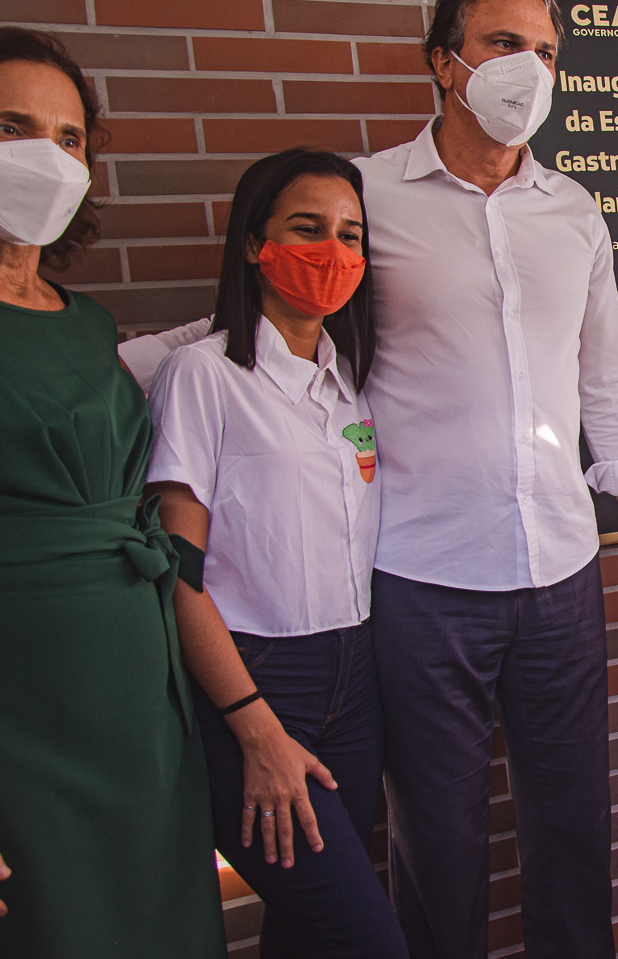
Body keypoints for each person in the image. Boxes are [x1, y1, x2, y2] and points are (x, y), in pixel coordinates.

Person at [355, 0, 618, 959]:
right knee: (437, 844)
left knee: (574, 831)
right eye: (503, 43)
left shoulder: (572, 210)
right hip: (420, 577)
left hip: (559, 573)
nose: (528, 67)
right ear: (442, 62)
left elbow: (607, 383)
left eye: (545, 51)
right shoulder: (365, 194)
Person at [0, 27, 223, 955]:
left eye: (68, 138)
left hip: (138, 721)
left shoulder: (86, 322)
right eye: (9, 127)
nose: (46, 157)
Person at [145, 149, 407, 958]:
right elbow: (176, 575)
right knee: (366, 939)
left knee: (307, 931)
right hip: (256, 682)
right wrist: (253, 725)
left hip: (354, 681)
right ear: (256, 244)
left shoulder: (348, 382)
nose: (333, 250)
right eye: (307, 228)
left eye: (350, 235)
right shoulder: (203, 375)